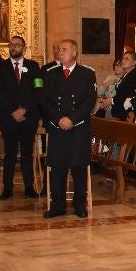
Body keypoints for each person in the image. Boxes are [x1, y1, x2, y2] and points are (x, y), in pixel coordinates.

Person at [40, 40, 96, 218]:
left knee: (78, 167)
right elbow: (45, 101)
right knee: (58, 168)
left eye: (64, 49)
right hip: (57, 127)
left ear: (75, 52)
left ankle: (80, 205)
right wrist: (59, 119)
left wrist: (72, 119)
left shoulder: (87, 74)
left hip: (78, 127)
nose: (60, 52)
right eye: (58, 49)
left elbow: (89, 101)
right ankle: (58, 206)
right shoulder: (50, 74)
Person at [0, 35, 41, 200]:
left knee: (27, 153)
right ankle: (7, 188)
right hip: (9, 117)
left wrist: (24, 109)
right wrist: (13, 111)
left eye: (17, 45)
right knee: (10, 152)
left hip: (29, 117)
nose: (14, 47)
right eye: (11, 45)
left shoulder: (34, 66)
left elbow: (38, 89)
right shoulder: (0, 67)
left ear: (24, 47)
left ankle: (29, 187)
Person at [111, 51, 136, 121]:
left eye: (127, 59)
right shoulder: (126, 74)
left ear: (134, 62)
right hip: (119, 112)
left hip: (126, 114)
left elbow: (128, 94)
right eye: (123, 58)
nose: (123, 61)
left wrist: (111, 100)